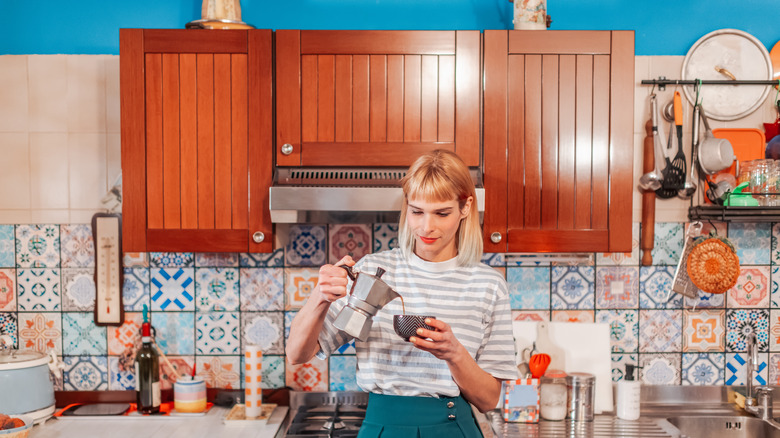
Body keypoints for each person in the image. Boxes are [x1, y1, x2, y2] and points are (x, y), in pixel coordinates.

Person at [286, 149, 518, 437]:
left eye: (441, 213)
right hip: (382, 426)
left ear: (466, 207)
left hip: (453, 428)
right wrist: (319, 298)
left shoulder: (489, 285)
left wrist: (454, 353)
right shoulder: (373, 272)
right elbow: (297, 353)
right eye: (417, 211)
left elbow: (489, 399)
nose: (426, 226)